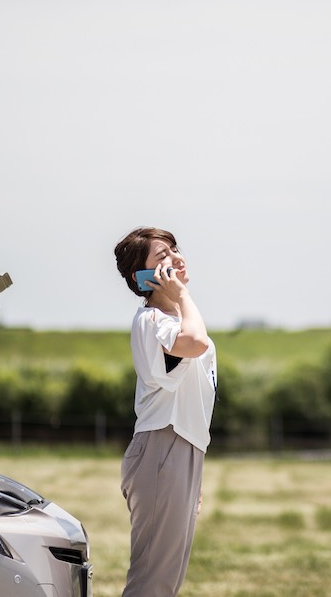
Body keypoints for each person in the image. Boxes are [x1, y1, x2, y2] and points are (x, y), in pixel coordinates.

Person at [113, 227, 217, 597]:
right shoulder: (152, 321)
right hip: (162, 449)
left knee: (165, 580)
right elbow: (195, 343)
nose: (175, 257)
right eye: (162, 256)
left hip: (179, 451)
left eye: (174, 249)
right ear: (143, 278)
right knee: (152, 582)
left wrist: (193, 470)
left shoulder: (174, 319)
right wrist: (183, 294)